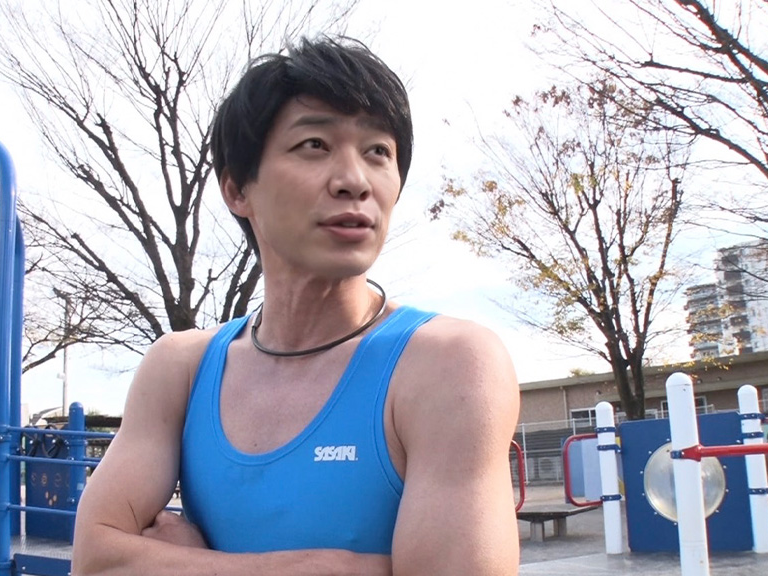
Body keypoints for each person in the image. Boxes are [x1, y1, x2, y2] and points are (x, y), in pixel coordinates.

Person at [71, 36, 521, 575]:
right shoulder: (181, 368)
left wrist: (192, 565)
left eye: (378, 151)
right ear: (238, 190)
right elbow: (95, 561)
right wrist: (340, 568)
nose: (354, 181)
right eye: (315, 145)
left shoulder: (449, 364)